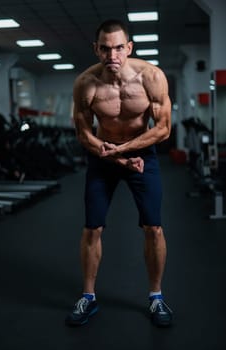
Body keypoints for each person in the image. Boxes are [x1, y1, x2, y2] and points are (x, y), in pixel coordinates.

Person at [65, 19, 173, 327]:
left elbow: (163, 129)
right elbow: (84, 135)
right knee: (92, 227)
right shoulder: (85, 84)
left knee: (153, 227)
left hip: (142, 154)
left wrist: (126, 152)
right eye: (105, 48)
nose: (112, 55)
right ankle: (88, 297)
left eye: (118, 48)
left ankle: (156, 297)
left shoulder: (151, 77)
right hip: (104, 155)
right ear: (96, 49)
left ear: (129, 48)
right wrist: (114, 156)